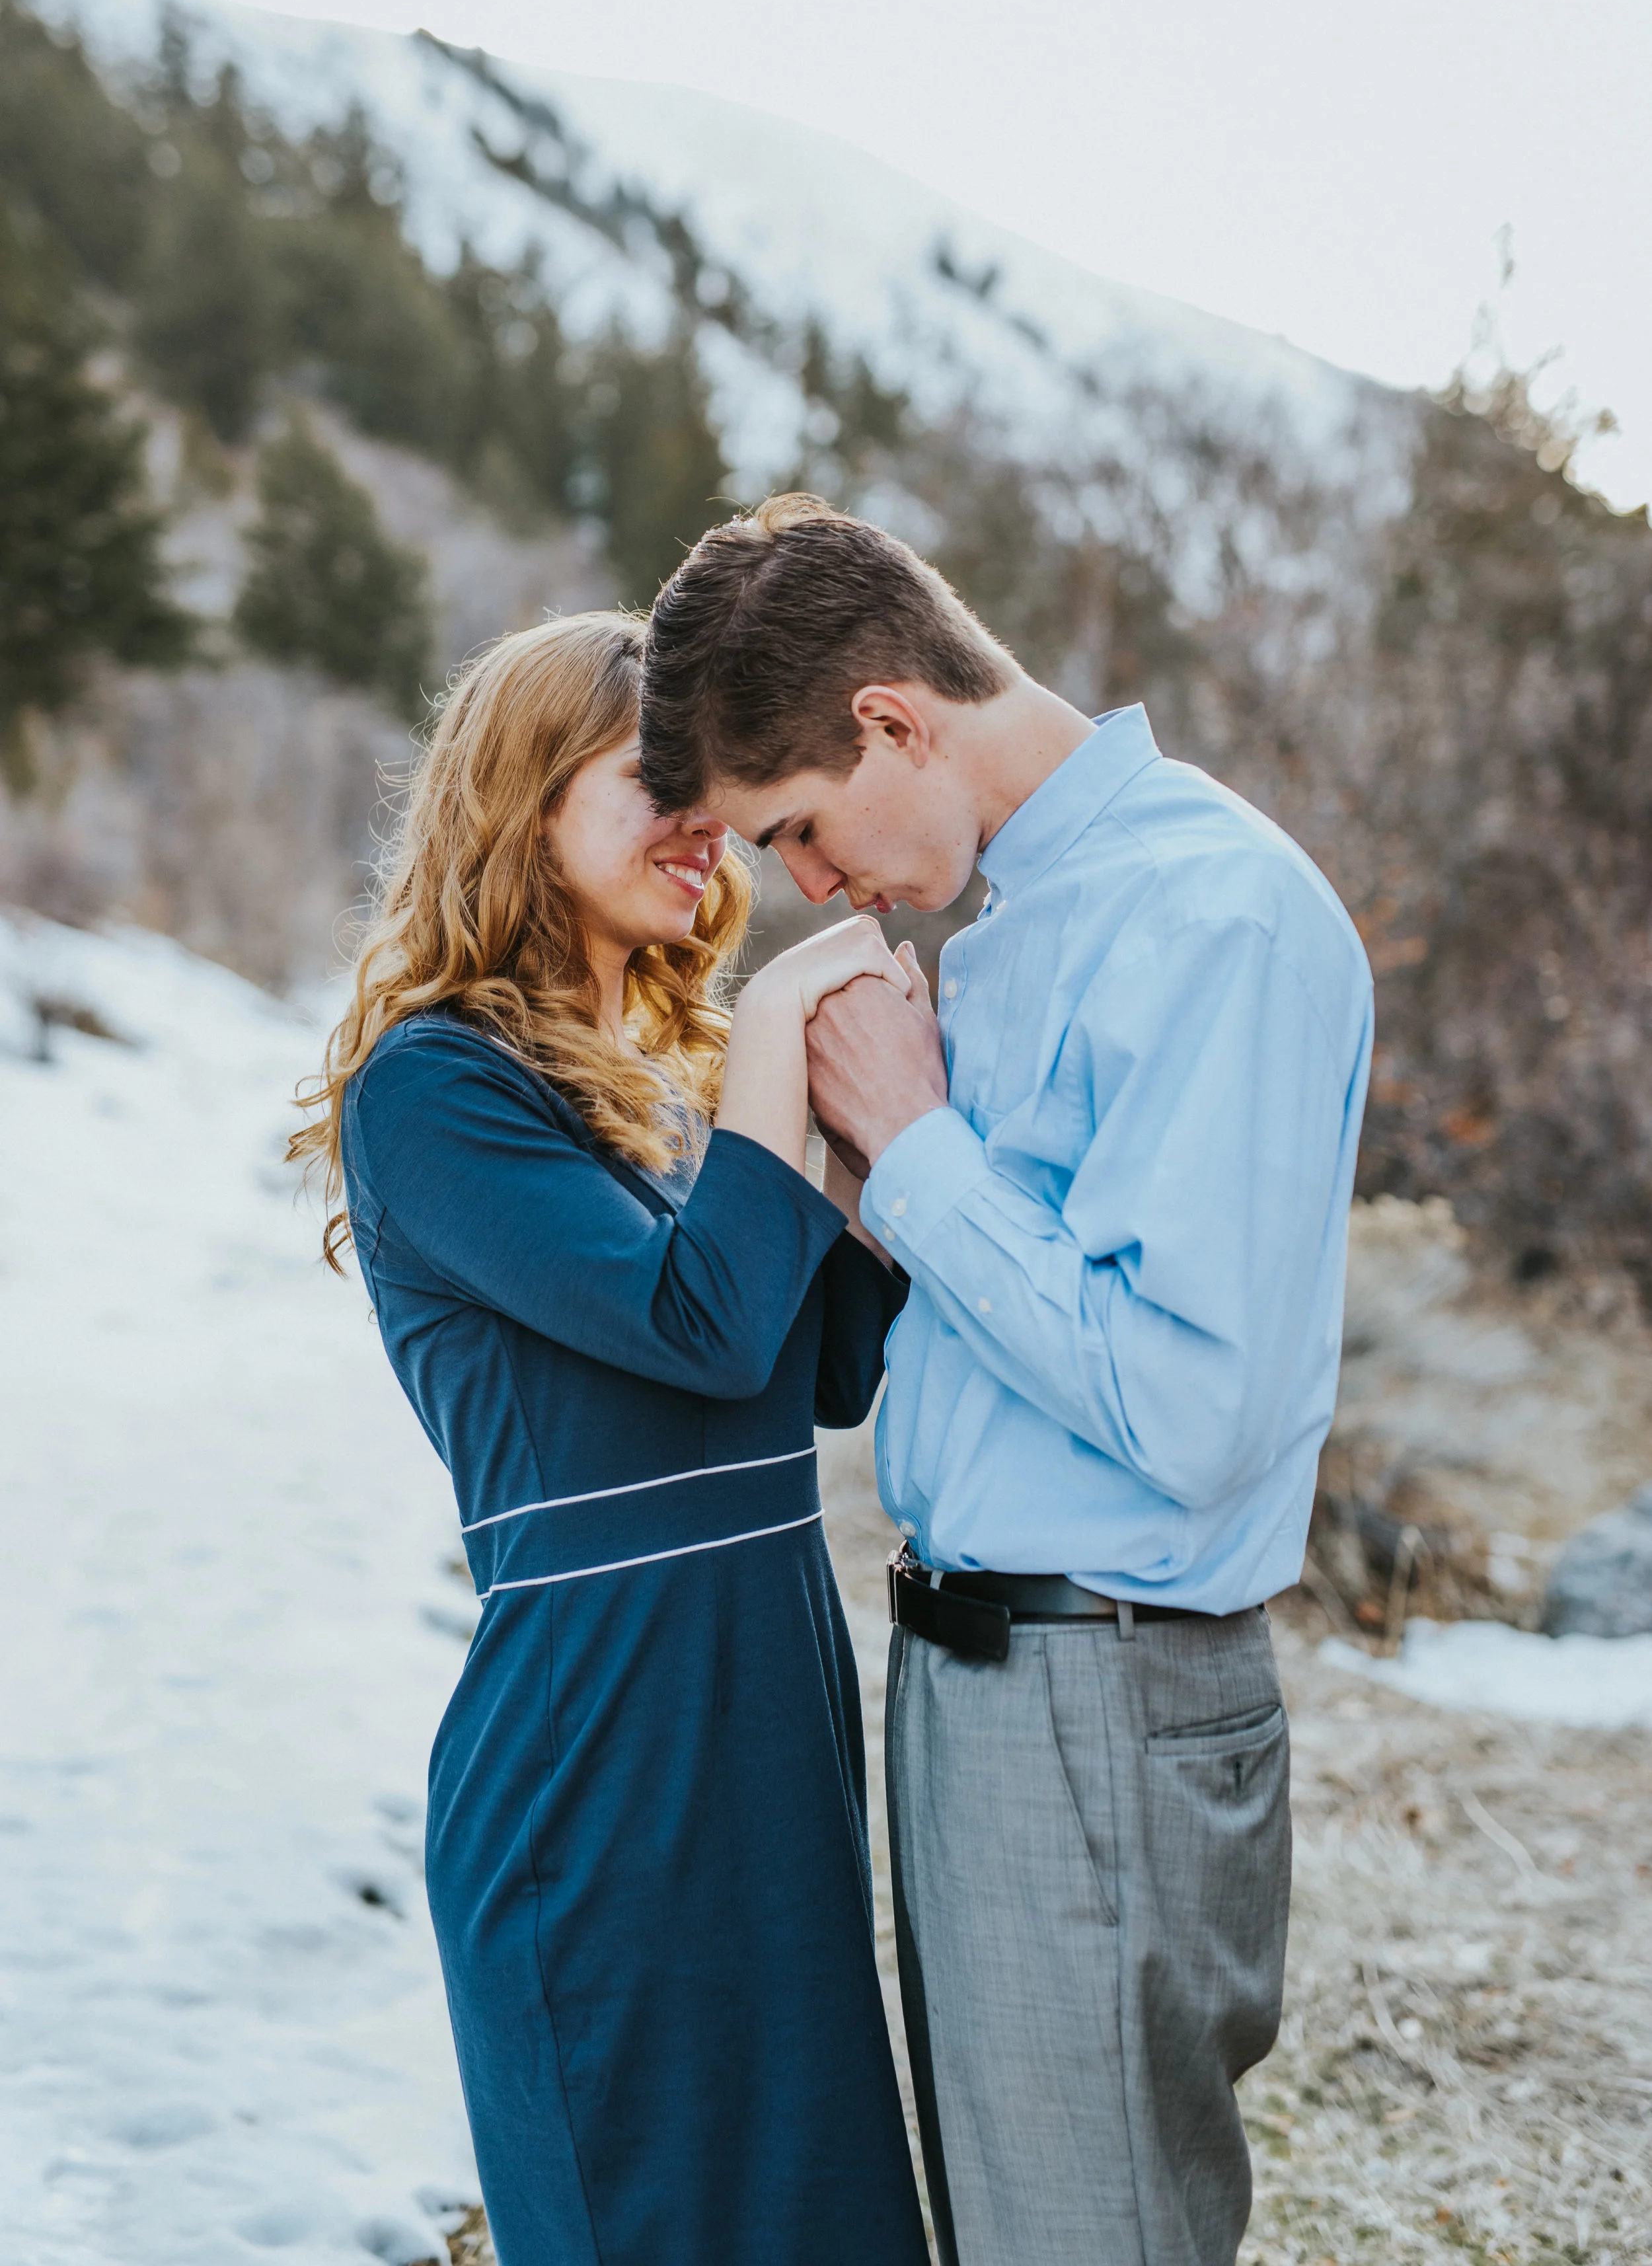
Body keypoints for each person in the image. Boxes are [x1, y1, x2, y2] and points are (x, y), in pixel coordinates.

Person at [640, 495, 1375, 2266]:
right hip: (976, 1685)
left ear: (894, 717)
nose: (805, 887)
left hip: (1103, 1694)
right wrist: (873, 1191)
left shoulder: (1216, 919)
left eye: (798, 829)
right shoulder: (1011, 920)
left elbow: (1192, 1417)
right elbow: (1039, 1312)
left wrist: (913, 1145)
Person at [290, 612, 931, 2266]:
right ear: (518, 802)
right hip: (595, 1766)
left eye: (707, 790)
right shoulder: (432, 1091)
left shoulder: (668, 1080)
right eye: (655, 779)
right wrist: (787, 1041)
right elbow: (699, 1323)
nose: (702, 822)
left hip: (766, 1729)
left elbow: (828, 1367)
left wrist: (866, 1136)